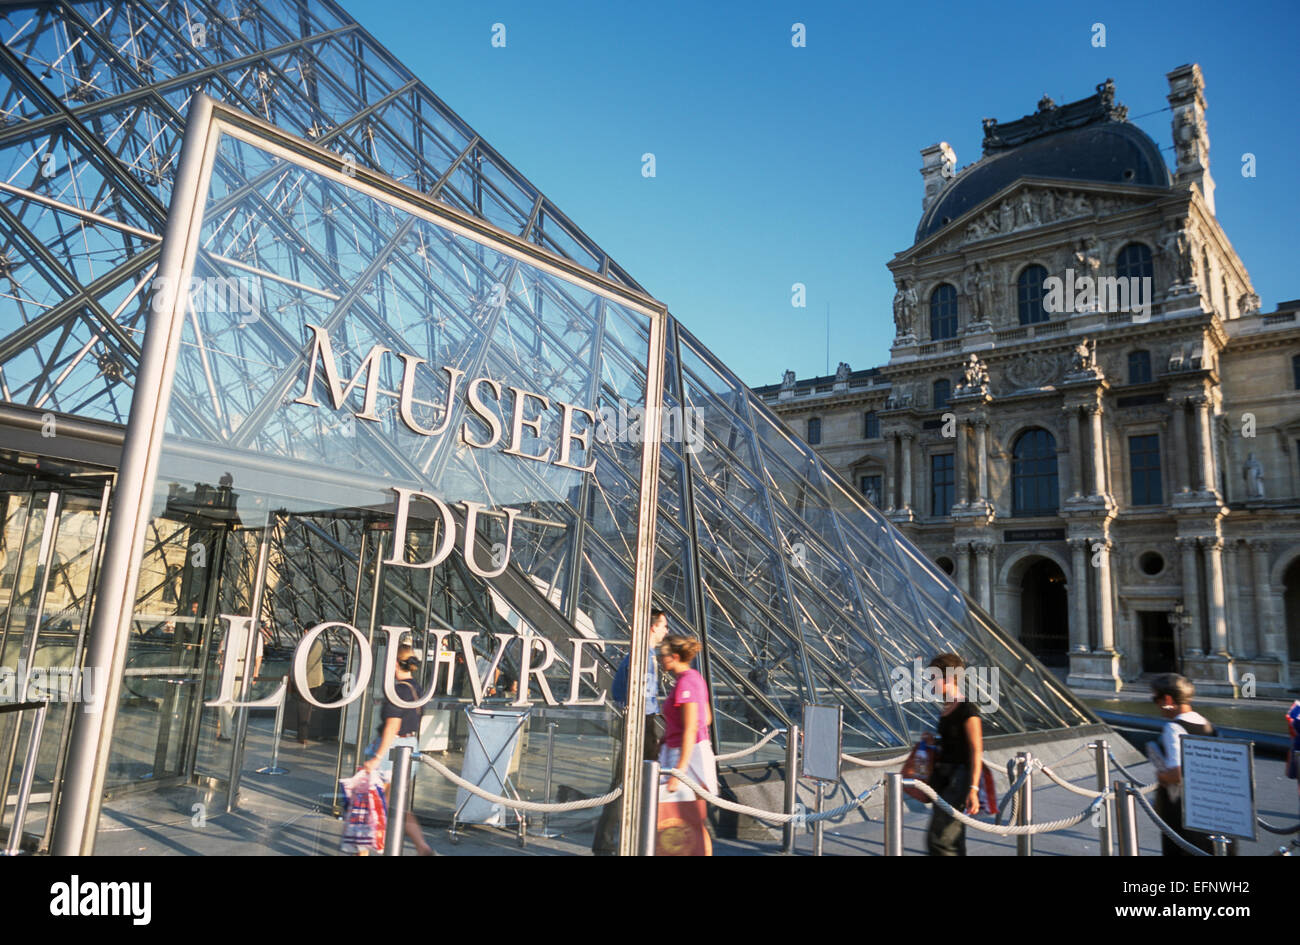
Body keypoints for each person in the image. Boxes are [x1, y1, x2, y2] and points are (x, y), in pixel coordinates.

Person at [592, 609, 669, 855]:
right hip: (641, 723)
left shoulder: (637, 655)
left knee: (628, 782)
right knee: (628, 782)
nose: (667, 631)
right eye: (664, 625)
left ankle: (620, 838)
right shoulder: (642, 657)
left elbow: (617, 689)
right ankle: (611, 841)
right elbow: (637, 695)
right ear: (652, 627)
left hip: (640, 721)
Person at [363, 644, 434, 856]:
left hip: (392, 749)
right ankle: (422, 847)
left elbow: (392, 725)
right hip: (410, 746)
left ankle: (365, 850)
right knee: (398, 804)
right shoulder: (416, 688)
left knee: (373, 803)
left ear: (394, 663)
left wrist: (376, 757)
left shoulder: (398, 691)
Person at [1148, 673, 1224, 856]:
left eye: (1155, 698)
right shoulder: (1208, 725)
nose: (1156, 704)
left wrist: (1162, 776)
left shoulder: (1173, 728)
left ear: (1167, 699)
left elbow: (1178, 773)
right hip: (1211, 807)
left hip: (1182, 809)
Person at [657, 634, 715, 856]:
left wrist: (678, 771)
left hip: (684, 756)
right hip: (686, 751)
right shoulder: (695, 678)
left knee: (688, 819)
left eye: (663, 656)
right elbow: (706, 718)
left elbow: (691, 727)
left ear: (674, 657)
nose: (661, 660)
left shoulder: (686, 683)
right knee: (693, 819)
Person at [926, 652, 983, 856]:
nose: (929, 683)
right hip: (943, 778)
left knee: (943, 839)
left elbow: (976, 751)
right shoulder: (947, 708)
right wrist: (935, 742)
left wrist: (973, 789)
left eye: (933, 678)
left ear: (947, 678)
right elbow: (954, 743)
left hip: (958, 780)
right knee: (947, 836)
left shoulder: (968, 710)